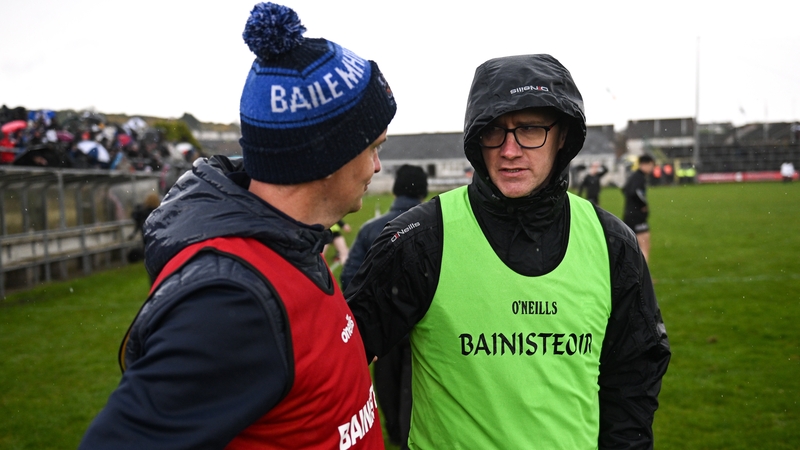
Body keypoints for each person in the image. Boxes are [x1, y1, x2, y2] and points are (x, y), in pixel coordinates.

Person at [79, 3, 396, 449]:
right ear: (328, 155)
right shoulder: (233, 299)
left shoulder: (289, 243)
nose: (379, 167)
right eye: (374, 147)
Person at [345, 54, 670, 449]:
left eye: (530, 130)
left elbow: (633, 386)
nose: (510, 150)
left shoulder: (611, 243)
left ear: (563, 135)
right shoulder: (420, 240)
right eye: (493, 131)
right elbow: (336, 365)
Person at [341, 164, 428, 450]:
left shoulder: (371, 229)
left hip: (384, 328)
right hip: (424, 329)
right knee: (414, 387)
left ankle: (393, 432)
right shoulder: (436, 229)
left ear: (394, 190)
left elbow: (350, 277)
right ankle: (405, 438)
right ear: (425, 190)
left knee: (388, 385)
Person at [623, 154, 656, 263]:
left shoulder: (633, 176)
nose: (652, 168)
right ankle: (643, 279)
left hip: (629, 215)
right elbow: (635, 192)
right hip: (637, 216)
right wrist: (643, 205)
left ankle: (635, 277)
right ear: (645, 164)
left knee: (633, 248)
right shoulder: (640, 177)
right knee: (644, 246)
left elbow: (624, 189)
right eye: (651, 165)